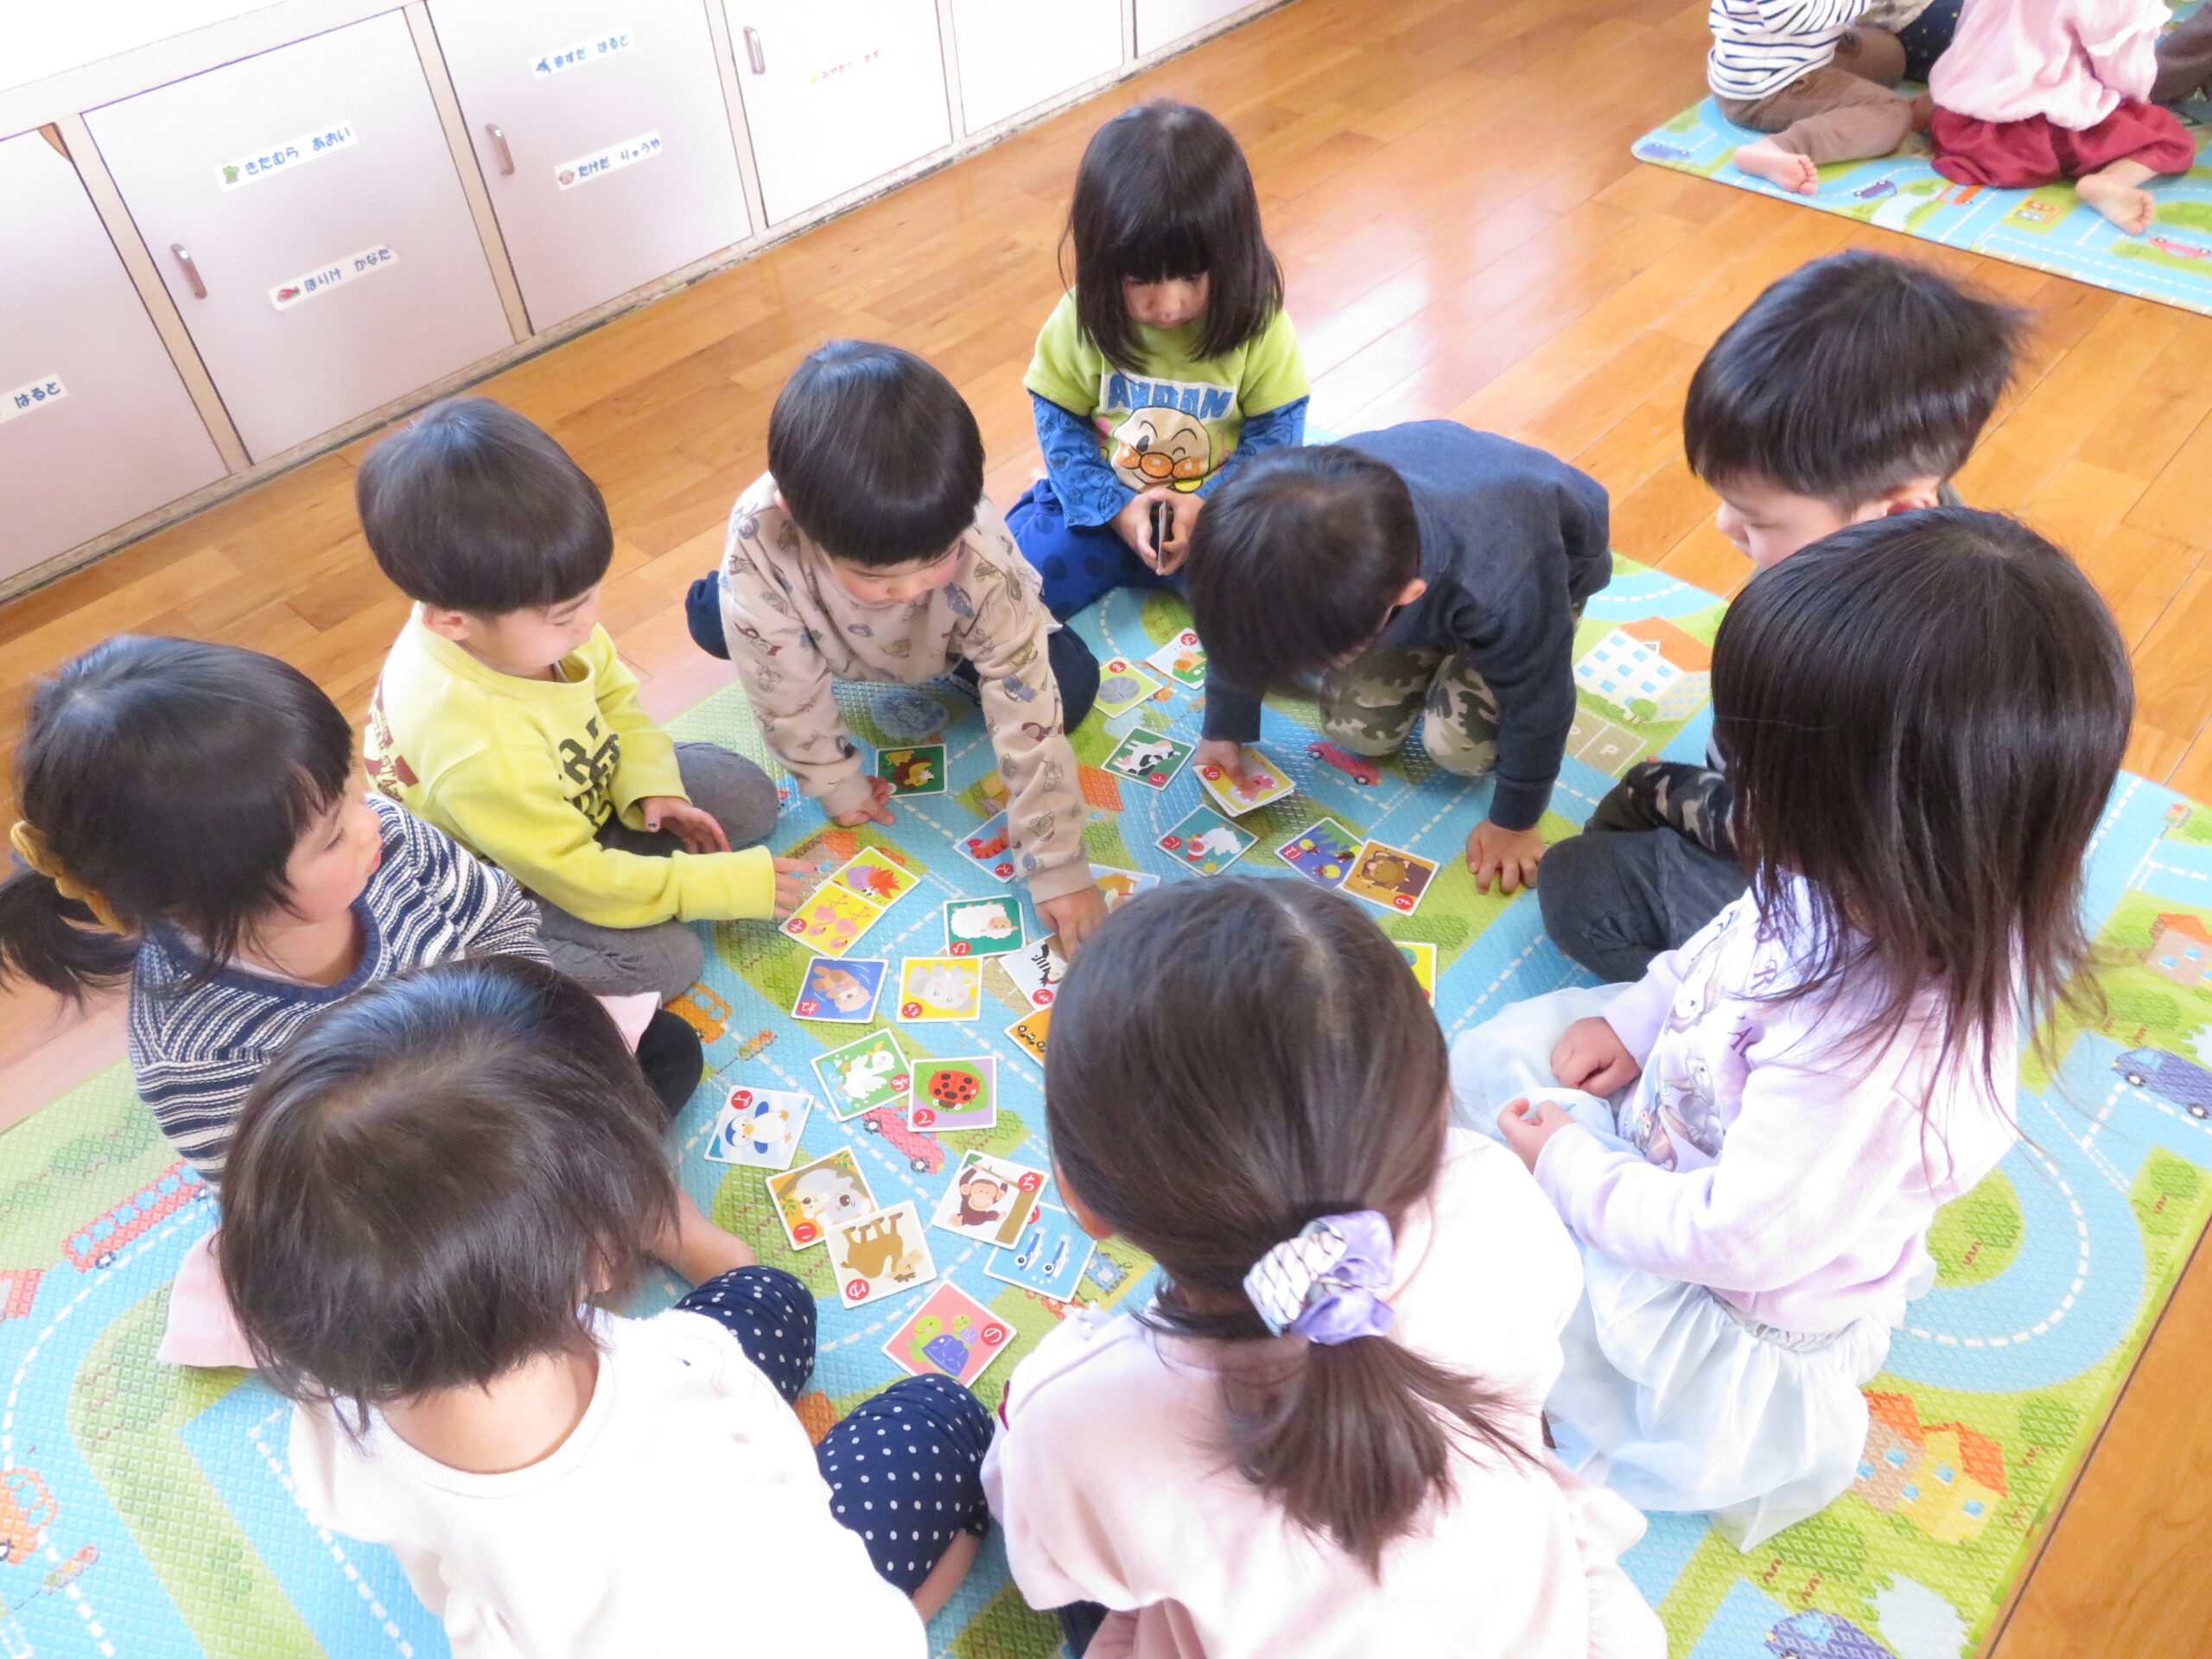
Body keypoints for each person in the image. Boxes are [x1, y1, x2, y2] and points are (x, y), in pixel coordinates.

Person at [1454, 510, 2132, 1548]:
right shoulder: (1858, 878)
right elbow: (1730, 938)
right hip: (1696, 1127)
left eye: (1771, 783)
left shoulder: (1871, 1060)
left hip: (1721, 1286)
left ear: (1896, 827)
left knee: (1503, 1280)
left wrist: (1569, 1174)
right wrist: (1639, 1017)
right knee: (1504, 1068)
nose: (1742, 806)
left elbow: (1725, 1239)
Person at [219, 957, 992, 1658]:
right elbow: (817, 1575)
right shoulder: (685, 1415)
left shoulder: (335, 1386)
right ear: (598, 1251)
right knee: (939, 1412)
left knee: (769, 1301)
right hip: (787, 1624)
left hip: (531, 1605)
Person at [986, 877, 1664, 1659]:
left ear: (1081, 1198)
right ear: (1435, 1102)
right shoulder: (1498, 1192)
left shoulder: (1076, 1415)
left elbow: (1052, 1566)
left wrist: (1031, 1420)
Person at [0, 637, 702, 1182]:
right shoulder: (196, 1048)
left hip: (497, 1065)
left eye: (352, 790)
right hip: (394, 1171)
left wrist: (533, 1050)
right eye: (333, 834)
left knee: (663, 1053)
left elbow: (503, 925)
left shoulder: (389, 840)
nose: (371, 822)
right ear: (220, 897)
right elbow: (276, 1184)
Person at [1541, 251, 2023, 981]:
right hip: (1889, 859)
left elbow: (1791, 840)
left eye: (1758, 519)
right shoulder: (1949, 545)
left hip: (1846, 901)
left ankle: (1756, 1003)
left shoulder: (1849, 657)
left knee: (1577, 884)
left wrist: (1658, 795)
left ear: (1893, 510)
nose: (1724, 529)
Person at [357, 397, 812, 1000]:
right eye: (566, 615)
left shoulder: (534, 616)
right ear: (453, 623)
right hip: (510, 878)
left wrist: (651, 785)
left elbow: (616, 703)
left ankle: (639, 842)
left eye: (591, 595)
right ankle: (482, 963)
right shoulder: (477, 746)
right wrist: (708, 887)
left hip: (569, 805)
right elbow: (573, 874)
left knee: (749, 799)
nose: (589, 622)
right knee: (664, 965)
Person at [684, 340, 1113, 953]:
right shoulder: (764, 534)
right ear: (794, 514)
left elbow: (1028, 707)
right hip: (808, 622)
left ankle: (869, 606)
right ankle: (730, 595)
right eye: (881, 577)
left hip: (944, 638)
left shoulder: (979, 551)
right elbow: (782, 691)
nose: (910, 587)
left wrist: (1059, 865)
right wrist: (833, 777)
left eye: (936, 559)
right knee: (720, 619)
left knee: (1066, 685)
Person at [1181, 429, 1610, 895]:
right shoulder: (1256, 521)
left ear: (1405, 597)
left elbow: (1541, 702)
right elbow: (1240, 628)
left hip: (1544, 563)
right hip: (1426, 534)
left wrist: (1516, 822)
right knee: (1356, 731)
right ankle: (1439, 644)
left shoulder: (1504, 590)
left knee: (1459, 751)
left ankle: (1467, 651)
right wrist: (1225, 725)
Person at [1006, 99, 1309, 619]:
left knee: (1280, 605)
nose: (1167, 304)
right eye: (1138, 280)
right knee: (1012, 594)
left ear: (1234, 256)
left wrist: (1205, 504)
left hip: (1217, 518)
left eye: (1192, 277)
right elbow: (1057, 419)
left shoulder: (1258, 319)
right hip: (1103, 510)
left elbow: (1277, 437)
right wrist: (1115, 508)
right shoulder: (1081, 317)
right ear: (1102, 265)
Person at [1929, 0, 2197, 236]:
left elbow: (1967, 33)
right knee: (2166, 135)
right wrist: (2139, 98)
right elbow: (2125, 67)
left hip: (1968, 132)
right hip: (2045, 137)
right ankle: (2112, 181)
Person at [1709, 2, 1929, 195]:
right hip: (1770, 88)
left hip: (1803, 57)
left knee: (1889, 54)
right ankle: (1782, 148)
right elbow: (1795, 16)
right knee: (1892, 114)